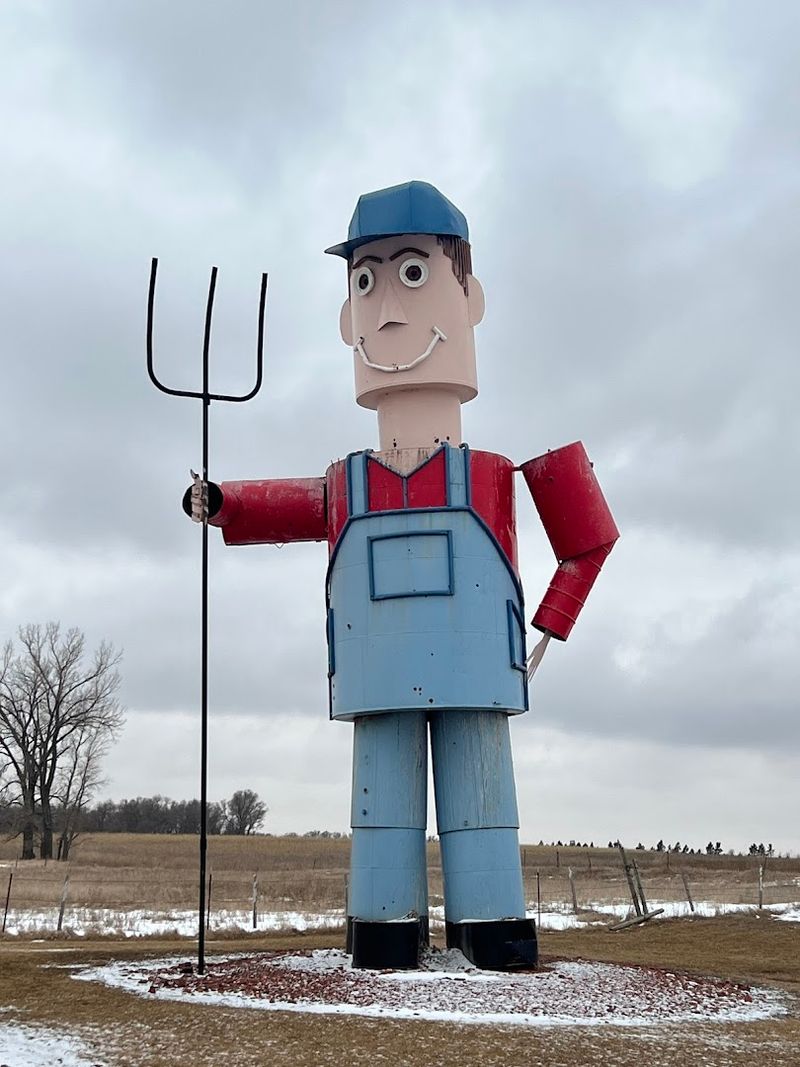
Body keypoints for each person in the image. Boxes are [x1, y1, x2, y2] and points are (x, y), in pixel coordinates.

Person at [186, 181, 618, 970]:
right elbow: (285, 504)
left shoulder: (491, 474)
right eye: (366, 281)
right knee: (381, 808)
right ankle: (384, 929)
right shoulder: (348, 480)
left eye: (413, 273)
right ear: (346, 320)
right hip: (377, 669)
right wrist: (222, 503)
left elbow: (589, 538)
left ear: (470, 301)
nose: (386, 310)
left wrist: (549, 626)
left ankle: (491, 925)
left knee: (480, 802)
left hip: (475, 668)